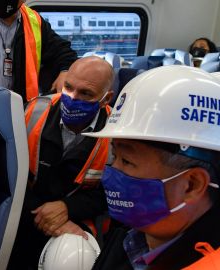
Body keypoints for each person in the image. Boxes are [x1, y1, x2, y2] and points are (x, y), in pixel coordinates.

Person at [85, 65, 220, 269]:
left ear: (192, 185)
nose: (110, 173)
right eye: (115, 156)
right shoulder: (133, 234)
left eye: (128, 161)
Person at [8, 56, 114, 269]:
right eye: (68, 87)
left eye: (86, 93)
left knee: (73, 254)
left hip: (83, 216)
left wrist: (68, 209)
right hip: (26, 206)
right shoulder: (34, 110)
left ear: (105, 98)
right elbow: (8, 170)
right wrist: (44, 212)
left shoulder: (117, 133)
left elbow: (114, 192)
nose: (72, 98)